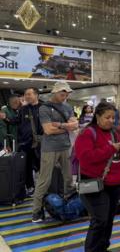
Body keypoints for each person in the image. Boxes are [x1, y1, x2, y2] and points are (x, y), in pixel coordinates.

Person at [75, 102, 120, 252]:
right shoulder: (88, 133)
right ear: (97, 117)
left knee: (108, 219)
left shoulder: (117, 132)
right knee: (100, 219)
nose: (111, 120)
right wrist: (111, 148)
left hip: (115, 183)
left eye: (113, 117)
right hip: (94, 182)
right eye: (107, 117)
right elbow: (85, 157)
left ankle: (103, 247)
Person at [32, 82, 79, 223]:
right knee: (44, 181)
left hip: (65, 146)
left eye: (66, 95)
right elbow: (48, 130)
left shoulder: (67, 106)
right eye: (62, 94)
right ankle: (36, 211)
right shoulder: (44, 108)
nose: (64, 97)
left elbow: (75, 124)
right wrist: (67, 127)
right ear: (55, 92)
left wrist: (59, 125)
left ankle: (69, 206)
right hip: (49, 148)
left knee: (68, 178)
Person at [13, 88, 43, 195]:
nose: (27, 96)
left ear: (36, 95)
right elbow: (16, 121)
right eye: (26, 94)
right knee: (26, 166)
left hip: (41, 143)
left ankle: (45, 187)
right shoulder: (23, 109)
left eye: (29, 94)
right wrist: (5, 117)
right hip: (25, 143)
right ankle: (30, 187)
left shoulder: (44, 108)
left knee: (43, 166)